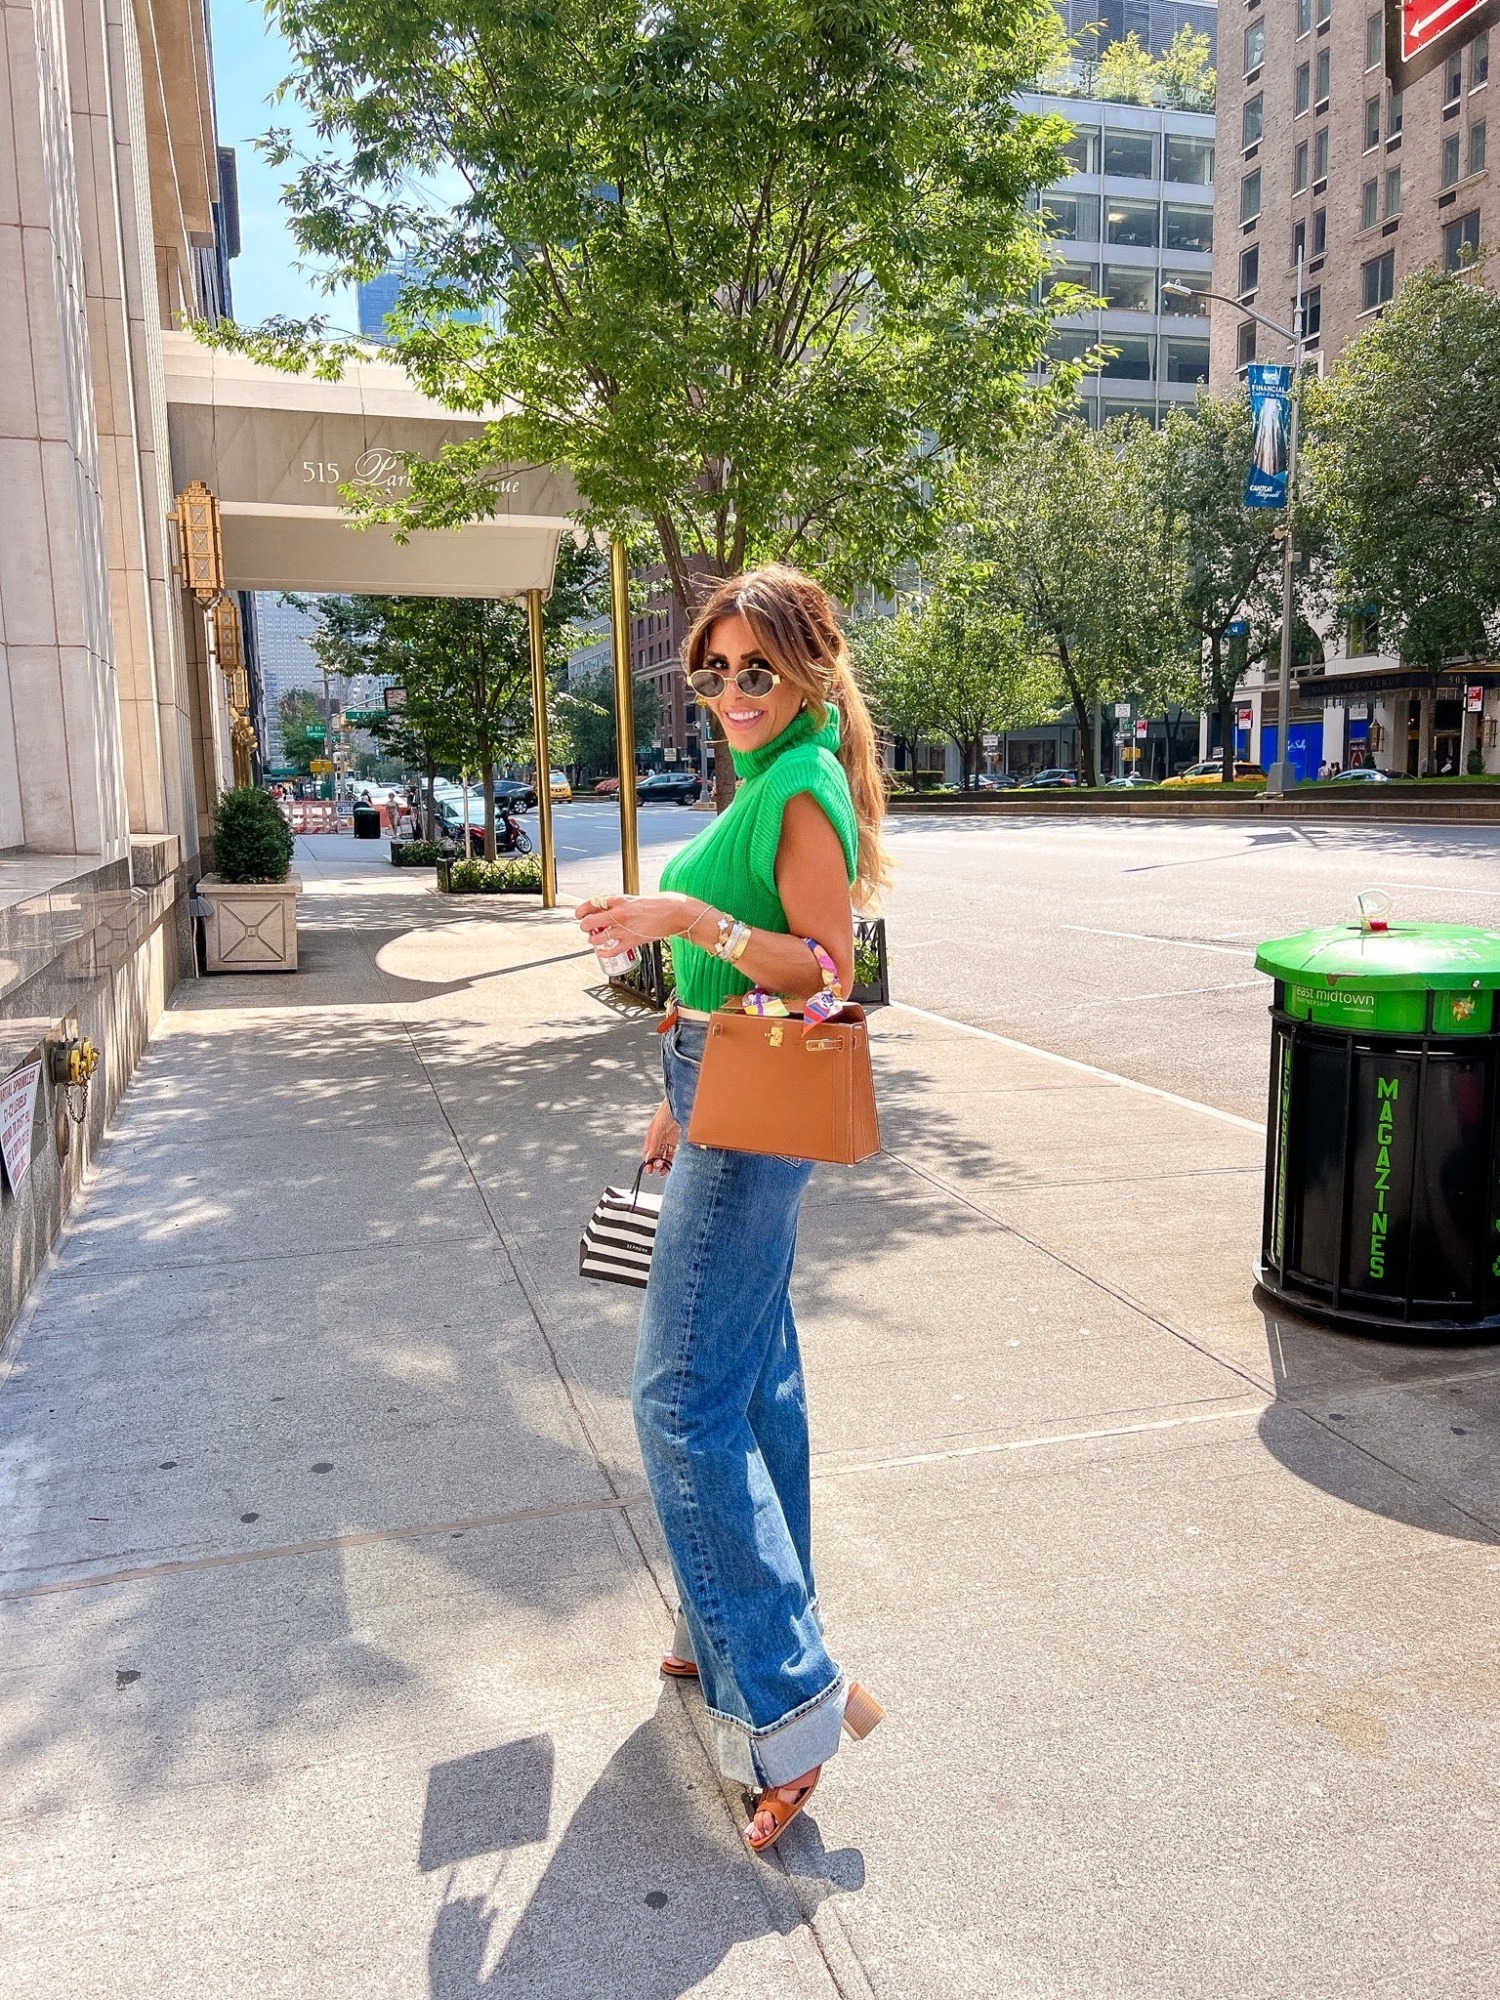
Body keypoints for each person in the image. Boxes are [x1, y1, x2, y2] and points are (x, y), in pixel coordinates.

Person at [576, 564, 887, 1855]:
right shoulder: (767, 783)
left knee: (679, 1396)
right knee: (754, 1384)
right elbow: (735, 983)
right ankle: (734, 1637)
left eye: (758, 669)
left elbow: (826, 978)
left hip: (758, 1113)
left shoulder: (803, 788)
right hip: (722, 1093)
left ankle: (792, 1702)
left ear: (810, 669)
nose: (732, 693)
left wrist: (679, 911)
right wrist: (675, 1096)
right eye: (714, 672)